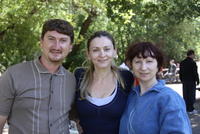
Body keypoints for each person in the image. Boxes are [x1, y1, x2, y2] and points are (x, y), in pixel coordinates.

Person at [0, 19, 76, 134]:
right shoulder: (13, 75)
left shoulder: (72, 80)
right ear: (41, 42)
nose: (56, 46)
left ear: (70, 47)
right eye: (51, 39)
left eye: (63, 40)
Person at [120, 42, 191, 134]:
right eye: (138, 62)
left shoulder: (169, 98)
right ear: (131, 66)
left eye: (149, 61)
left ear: (158, 66)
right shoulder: (130, 96)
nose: (143, 67)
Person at [74, 31, 134, 134]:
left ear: (115, 52)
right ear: (88, 54)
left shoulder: (126, 77)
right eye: (95, 50)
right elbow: (69, 107)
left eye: (107, 49)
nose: (102, 55)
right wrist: (75, 122)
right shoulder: (79, 75)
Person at [179, 50, 199, 114]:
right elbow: (195, 72)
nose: (194, 56)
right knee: (191, 95)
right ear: (192, 54)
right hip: (191, 81)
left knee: (185, 95)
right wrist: (197, 80)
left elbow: (180, 72)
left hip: (184, 81)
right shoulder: (192, 62)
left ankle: (186, 109)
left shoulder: (182, 62)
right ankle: (191, 109)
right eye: (194, 54)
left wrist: (181, 79)